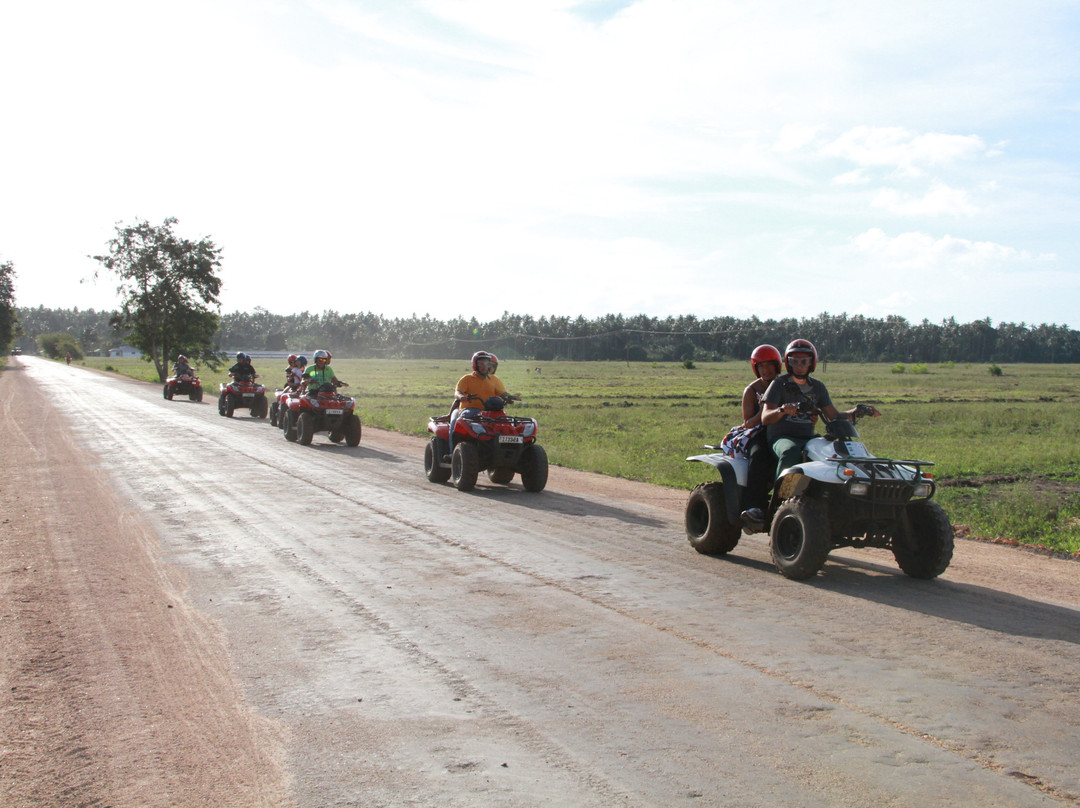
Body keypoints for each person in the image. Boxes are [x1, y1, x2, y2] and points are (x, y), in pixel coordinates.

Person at [761, 339, 880, 479]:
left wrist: (857, 411)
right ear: (788, 363)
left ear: (812, 362)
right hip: (782, 437)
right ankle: (781, 495)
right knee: (791, 451)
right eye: (794, 361)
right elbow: (765, 417)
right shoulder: (779, 384)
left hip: (808, 437)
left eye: (804, 361)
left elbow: (834, 416)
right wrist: (782, 410)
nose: (799, 366)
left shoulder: (818, 387)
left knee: (833, 452)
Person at [739, 344, 782, 524]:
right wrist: (762, 412)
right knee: (759, 456)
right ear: (756, 369)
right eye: (761, 366)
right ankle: (754, 506)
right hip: (761, 433)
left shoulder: (787, 384)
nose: (766, 370)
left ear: (777, 365)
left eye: (769, 365)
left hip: (786, 431)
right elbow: (748, 423)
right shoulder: (751, 391)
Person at [447, 351, 511, 457]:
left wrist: (510, 397)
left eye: (486, 364)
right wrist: (461, 397)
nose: (484, 366)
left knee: (506, 423)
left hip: (490, 412)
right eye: (481, 363)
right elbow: (457, 392)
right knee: (456, 424)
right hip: (470, 410)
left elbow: (502, 393)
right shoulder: (467, 379)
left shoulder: (494, 380)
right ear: (475, 365)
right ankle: (452, 452)